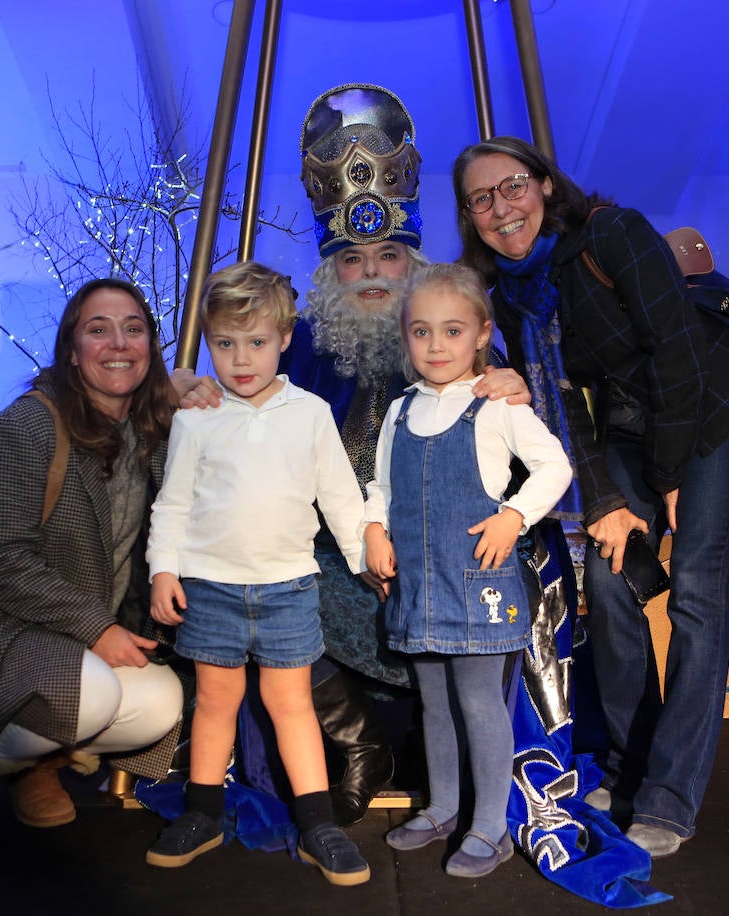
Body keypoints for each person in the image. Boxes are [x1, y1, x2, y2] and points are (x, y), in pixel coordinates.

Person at [453, 136, 729, 858]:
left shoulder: (611, 233)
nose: (501, 208)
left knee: (695, 589)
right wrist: (604, 504)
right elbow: (561, 403)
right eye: (481, 199)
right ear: (470, 216)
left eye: (511, 187)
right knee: (609, 576)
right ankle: (630, 769)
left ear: (543, 184)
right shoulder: (510, 294)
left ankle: (670, 796)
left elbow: (677, 350)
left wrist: (666, 480)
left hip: (715, 410)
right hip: (635, 430)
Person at [235, 83, 531, 827]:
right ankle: (359, 739)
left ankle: (468, 789)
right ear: (328, 274)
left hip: (446, 569)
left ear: (416, 264)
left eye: (390, 256)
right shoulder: (294, 349)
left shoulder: (462, 350)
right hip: (333, 568)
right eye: (353, 259)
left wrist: (511, 384)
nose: (371, 274)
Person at [0, 277, 205, 859]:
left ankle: (35, 763)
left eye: (134, 328)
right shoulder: (23, 429)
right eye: (97, 330)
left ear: (151, 345)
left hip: (71, 628)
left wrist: (197, 394)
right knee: (92, 695)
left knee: (161, 703)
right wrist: (97, 629)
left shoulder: (151, 428)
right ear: (71, 350)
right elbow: (2, 560)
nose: (118, 343)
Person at [144, 261, 370, 886]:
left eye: (257, 342)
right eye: (225, 343)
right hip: (210, 587)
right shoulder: (196, 418)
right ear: (209, 342)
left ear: (285, 338)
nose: (241, 359)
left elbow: (341, 498)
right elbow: (174, 503)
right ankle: (203, 812)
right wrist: (165, 570)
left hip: (288, 588)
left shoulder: (312, 413)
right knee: (216, 703)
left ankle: (319, 822)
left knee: (291, 703)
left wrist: (365, 558)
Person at [363, 263, 572, 878]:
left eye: (451, 331)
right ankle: (444, 808)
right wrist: (375, 527)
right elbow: (379, 483)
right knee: (432, 702)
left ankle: (491, 826)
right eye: (421, 332)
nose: (435, 346)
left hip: (477, 582)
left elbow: (554, 467)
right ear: (405, 337)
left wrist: (514, 516)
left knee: (479, 701)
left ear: (481, 334)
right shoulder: (399, 412)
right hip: (420, 587)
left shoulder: (494, 406)